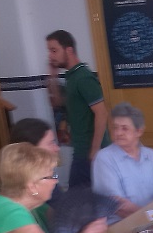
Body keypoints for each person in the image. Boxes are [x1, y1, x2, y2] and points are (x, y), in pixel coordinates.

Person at [46, 30, 111, 188]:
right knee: (83, 197)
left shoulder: (83, 77)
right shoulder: (72, 76)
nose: (50, 56)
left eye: (54, 51)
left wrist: (95, 150)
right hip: (81, 149)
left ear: (69, 50)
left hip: (90, 150)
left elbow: (101, 113)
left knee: (79, 197)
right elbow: (58, 103)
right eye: (49, 51)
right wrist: (53, 76)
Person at [92, 102, 153, 222]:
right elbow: (119, 207)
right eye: (115, 128)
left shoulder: (152, 156)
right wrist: (152, 218)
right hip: (121, 225)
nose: (118, 133)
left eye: (124, 128)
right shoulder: (104, 158)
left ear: (139, 131)